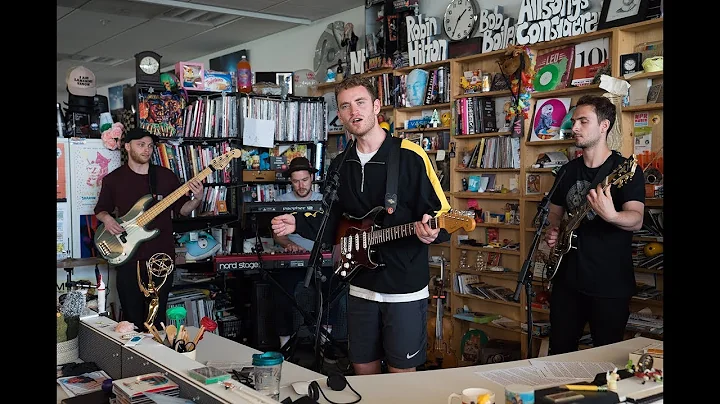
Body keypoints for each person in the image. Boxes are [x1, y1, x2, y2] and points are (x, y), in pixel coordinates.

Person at [271, 75, 451, 374]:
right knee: (362, 370)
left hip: (403, 288)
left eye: (360, 102)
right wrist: (297, 222)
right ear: (340, 115)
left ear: (376, 106)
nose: (354, 111)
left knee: (400, 378)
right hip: (360, 286)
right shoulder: (340, 163)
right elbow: (331, 220)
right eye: (345, 106)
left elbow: (441, 215)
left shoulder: (409, 156)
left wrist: (433, 232)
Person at [544, 95, 645, 355]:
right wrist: (554, 231)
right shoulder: (566, 172)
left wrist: (611, 215)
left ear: (604, 126)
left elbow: (636, 219)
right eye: (574, 121)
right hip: (566, 281)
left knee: (606, 359)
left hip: (609, 284)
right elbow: (554, 213)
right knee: (559, 355)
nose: (574, 127)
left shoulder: (625, 170)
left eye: (583, 121)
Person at [94, 127, 203, 331]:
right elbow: (100, 210)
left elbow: (183, 210)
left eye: (150, 146)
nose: (147, 150)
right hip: (127, 257)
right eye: (141, 145)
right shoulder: (114, 179)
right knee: (131, 318)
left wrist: (197, 198)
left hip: (161, 257)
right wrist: (108, 220)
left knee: (158, 318)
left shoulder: (166, 177)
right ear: (127, 147)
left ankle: (158, 358)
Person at [271, 156, 325, 349]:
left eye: (304, 180)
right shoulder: (281, 201)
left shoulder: (324, 201)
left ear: (312, 178)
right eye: (296, 181)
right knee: (280, 292)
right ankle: (285, 344)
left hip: (320, 258)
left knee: (330, 290)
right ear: (290, 181)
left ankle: (325, 341)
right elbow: (277, 235)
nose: (301, 185)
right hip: (292, 257)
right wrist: (288, 245)